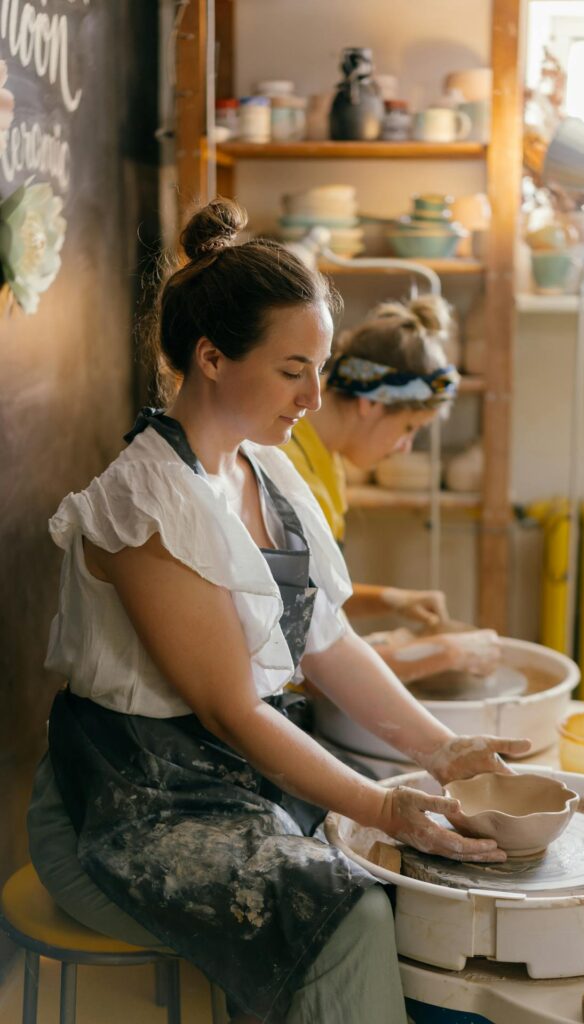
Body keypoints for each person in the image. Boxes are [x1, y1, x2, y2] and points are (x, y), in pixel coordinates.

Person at [28, 198, 529, 1024]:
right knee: (353, 905)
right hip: (129, 807)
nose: (312, 395)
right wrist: (378, 803)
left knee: (424, 867)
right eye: (293, 369)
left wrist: (443, 751)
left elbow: (327, 642)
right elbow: (230, 710)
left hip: (233, 784)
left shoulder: (268, 470)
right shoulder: (147, 504)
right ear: (212, 356)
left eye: (320, 368)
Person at [283, 295, 500, 685]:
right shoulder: (291, 474)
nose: (404, 447)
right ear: (371, 403)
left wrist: (392, 599)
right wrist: (444, 653)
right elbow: (305, 659)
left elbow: (312, 594)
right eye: (408, 428)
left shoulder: (325, 457)